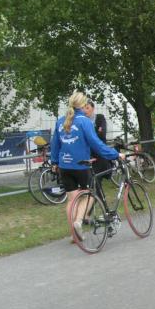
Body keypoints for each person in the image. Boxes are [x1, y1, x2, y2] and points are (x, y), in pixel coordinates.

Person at [51, 91, 123, 237]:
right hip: (81, 165)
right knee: (90, 193)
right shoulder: (85, 121)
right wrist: (115, 154)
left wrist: (54, 161)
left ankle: (74, 235)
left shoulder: (60, 121)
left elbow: (55, 144)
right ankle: (78, 221)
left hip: (64, 166)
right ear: (83, 105)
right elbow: (96, 144)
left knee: (72, 200)